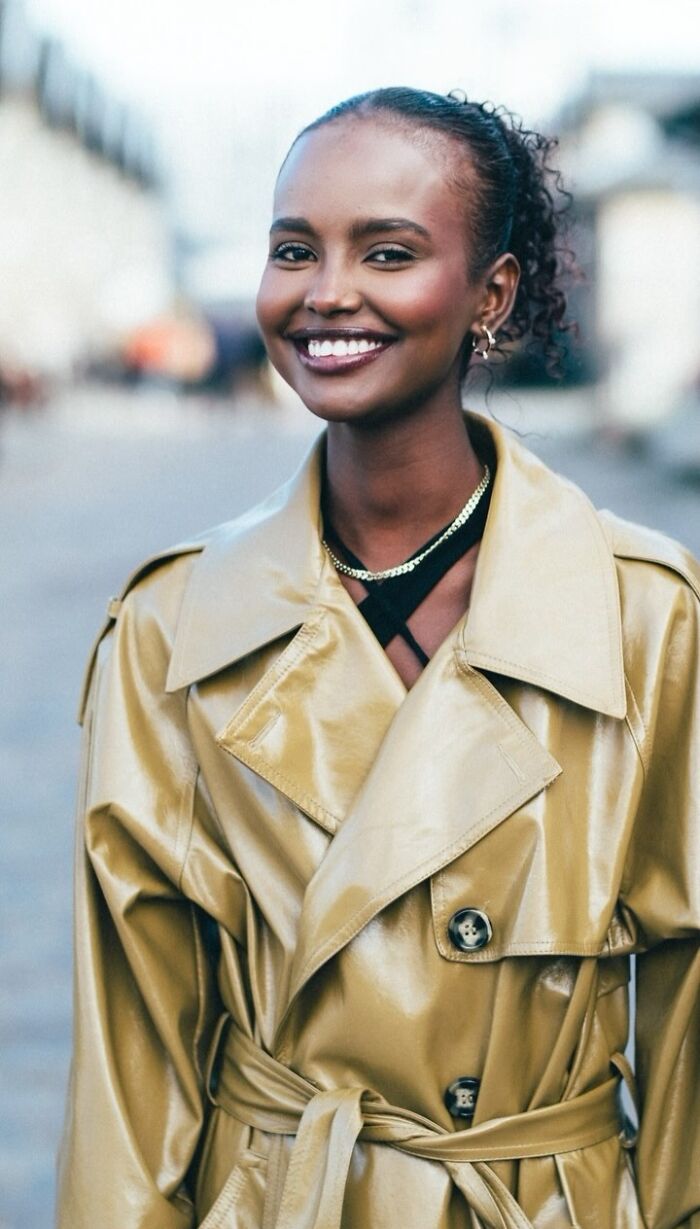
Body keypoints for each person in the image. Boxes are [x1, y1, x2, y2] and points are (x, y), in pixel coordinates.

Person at [56, 87, 699, 1229]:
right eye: (292, 249)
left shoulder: (644, 617)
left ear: (489, 293)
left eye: (387, 250)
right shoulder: (172, 625)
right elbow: (133, 1048)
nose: (326, 291)